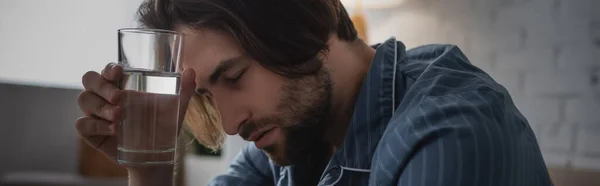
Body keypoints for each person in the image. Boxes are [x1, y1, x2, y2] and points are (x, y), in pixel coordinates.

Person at [75, 0, 554, 185]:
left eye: (235, 77)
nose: (229, 123)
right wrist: (149, 167)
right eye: (205, 96)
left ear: (303, 30)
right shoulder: (290, 142)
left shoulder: (452, 135)